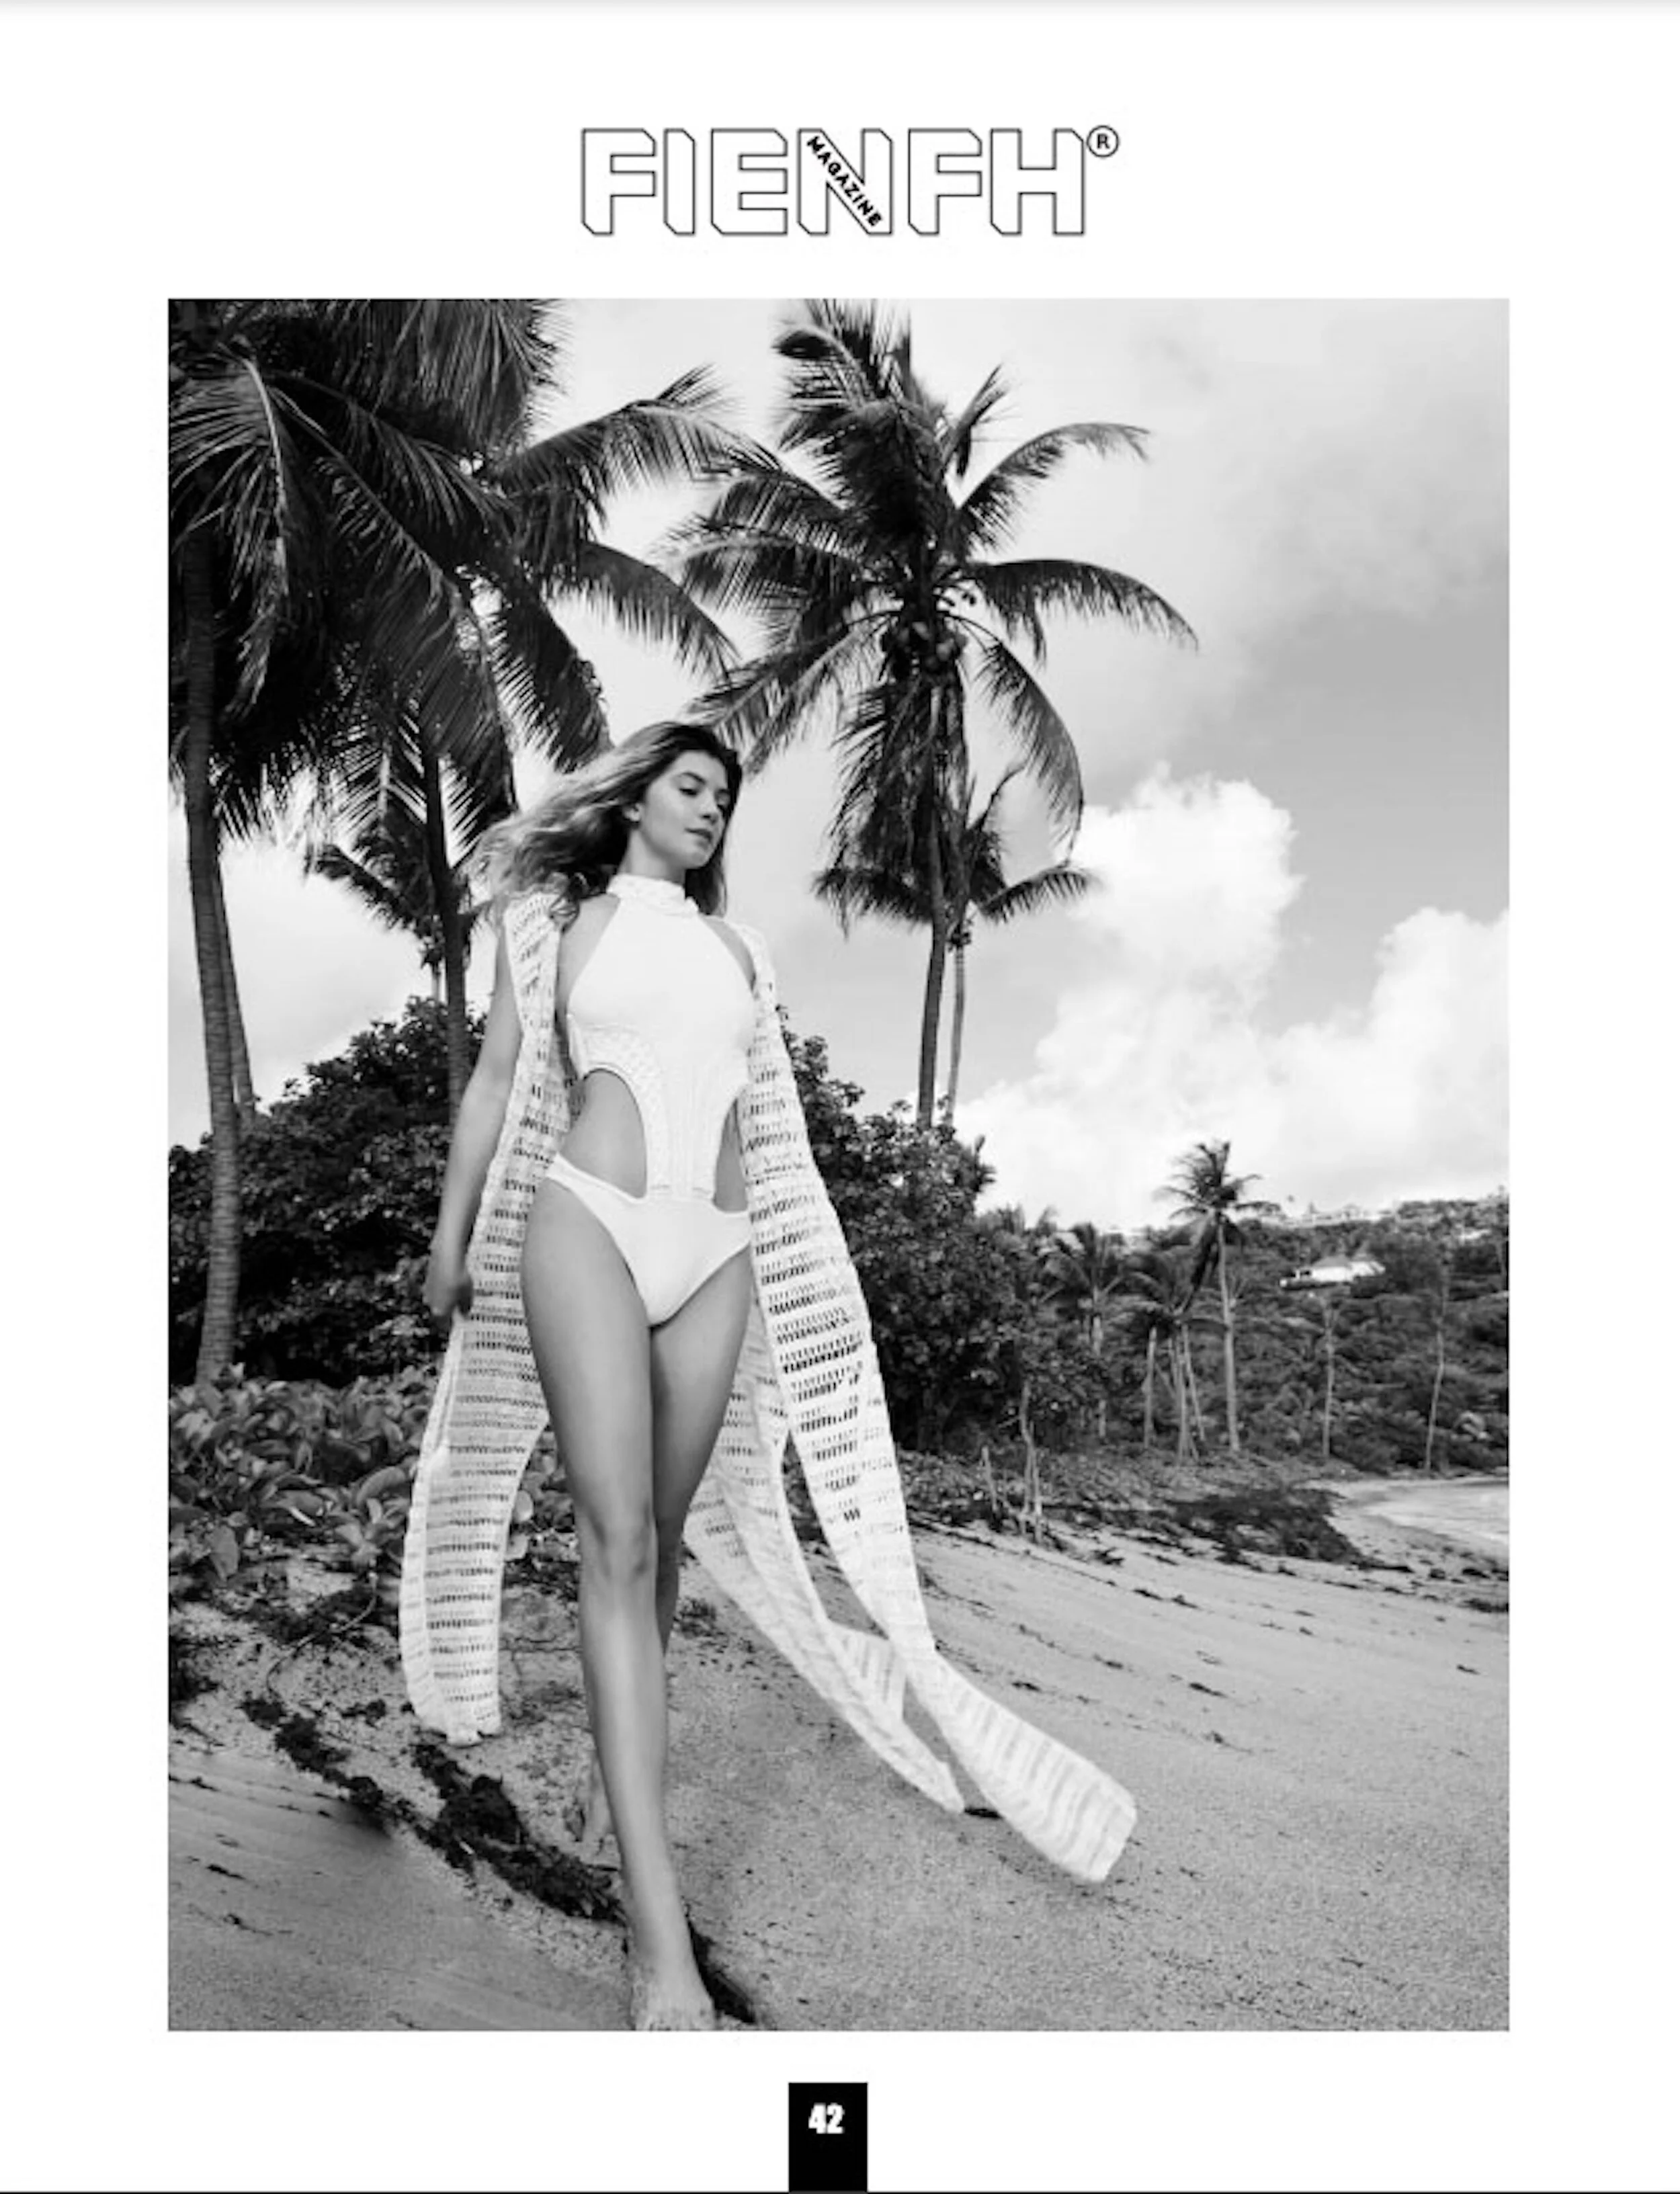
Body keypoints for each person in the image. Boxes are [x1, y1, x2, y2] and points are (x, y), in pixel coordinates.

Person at [400, 720, 1138, 2033]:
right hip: (585, 1224)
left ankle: (620, 1770)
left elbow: (770, 1135)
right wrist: (450, 1242)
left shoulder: (742, 953)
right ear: (633, 797)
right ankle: (657, 1943)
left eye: (725, 797)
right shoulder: (546, 923)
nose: (710, 810)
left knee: (661, 1538)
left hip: (720, 1251)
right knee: (619, 1544)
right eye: (689, 786)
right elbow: (498, 1084)